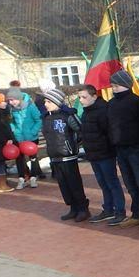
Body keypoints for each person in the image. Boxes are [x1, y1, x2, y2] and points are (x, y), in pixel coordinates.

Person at [107, 70, 139, 232]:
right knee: (130, 183)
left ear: (126, 84)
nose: (113, 88)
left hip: (137, 148)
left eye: (116, 85)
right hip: (120, 148)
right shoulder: (112, 103)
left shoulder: (137, 102)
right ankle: (137, 213)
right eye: (112, 85)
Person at [77, 85, 127, 225]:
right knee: (103, 183)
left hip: (105, 154)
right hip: (93, 154)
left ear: (94, 96)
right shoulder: (87, 112)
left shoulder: (102, 110)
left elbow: (109, 133)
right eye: (79, 97)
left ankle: (120, 211)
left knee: (112, 182)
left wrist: (108, 149)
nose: (81, 100)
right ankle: (108, 209)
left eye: (84, 97)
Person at [41, 88, 90, 221]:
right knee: (63, 185)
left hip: (68, 156)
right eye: (45, 101)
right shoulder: (46, 118)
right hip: (54, 156)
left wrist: (73, 144)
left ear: (56, 102)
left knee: (74, 184)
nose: (45, 104)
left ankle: (83, 209)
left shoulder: (67, 116)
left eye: (48, 101)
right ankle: (73, 208)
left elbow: (81, 130)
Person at [6, 87, 43, 189]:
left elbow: (38, 120)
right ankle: (22, 178)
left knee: (33, 158)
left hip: (31, 137)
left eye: (12, 100)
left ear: (19, 98)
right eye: (9, 100)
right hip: (18, 137)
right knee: (19, 158)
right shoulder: (11, 109)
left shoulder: (30, 107)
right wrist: (14, 130)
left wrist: (33, 131)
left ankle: (33, 177)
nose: (11, 102)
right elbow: (11, 121)